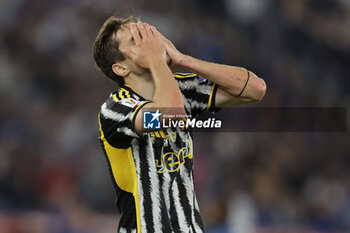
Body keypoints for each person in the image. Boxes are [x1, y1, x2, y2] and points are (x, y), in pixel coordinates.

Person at [93, 15, 266, 233]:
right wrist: (156, 60)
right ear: (121, 68)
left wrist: (183, 59)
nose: (151, 41)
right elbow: (170, 112)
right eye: (137, 40)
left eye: (148, 33)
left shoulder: (181, 88)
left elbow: (255, 89)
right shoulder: (115, 108)